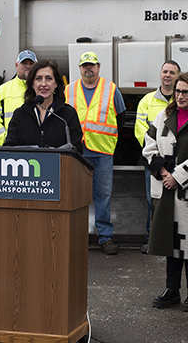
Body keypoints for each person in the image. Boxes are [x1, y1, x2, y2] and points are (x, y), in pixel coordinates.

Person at [142, 72, 188, 312]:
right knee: (169, 240)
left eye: (186, 92)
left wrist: (178, 177)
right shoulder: (164, 116)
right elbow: (149, 146)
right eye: (177, 91)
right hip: (165, 189)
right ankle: (171, 290)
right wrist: (165, 173)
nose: (180, 96)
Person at [65, 52, 126, 255]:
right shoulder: (69, 89)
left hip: (102, 151)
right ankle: (76, 236)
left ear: (98, 67)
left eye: (91, 65)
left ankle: (105, 238)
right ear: (80, 68)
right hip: (77, 152)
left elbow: (121, 117)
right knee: (76, 196)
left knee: (103, 196)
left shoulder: (111, 88)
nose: (88, 68)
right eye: (84, 66)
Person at [135, 60, 180, 254]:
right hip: (154, 161)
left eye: (172, 72)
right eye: (165, 71)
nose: (168, 75)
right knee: (153, 199)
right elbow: (140, 130)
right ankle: (152, 238)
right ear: (160, 74)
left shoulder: (182, 98)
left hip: (178, 161)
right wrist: (156, 156)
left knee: (177, 201)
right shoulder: (147, 100)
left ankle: (174, 238)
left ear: (178, 76)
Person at [4, 59, 83, 152]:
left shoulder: (68, 114)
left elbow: (77, 149)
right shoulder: (20, 114)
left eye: (49, 78)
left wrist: (58, 153)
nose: (44, 84)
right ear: (32, 84)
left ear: (56, 83)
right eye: (38, 79)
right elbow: (9, 148)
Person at [0, 50, 37, 145]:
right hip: (12, 149)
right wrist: (5, 140)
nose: (28, 66)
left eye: (31, 63)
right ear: (17, 66)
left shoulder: (44, 89)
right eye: (24, 63)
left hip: (39, 148)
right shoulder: (2, 91)